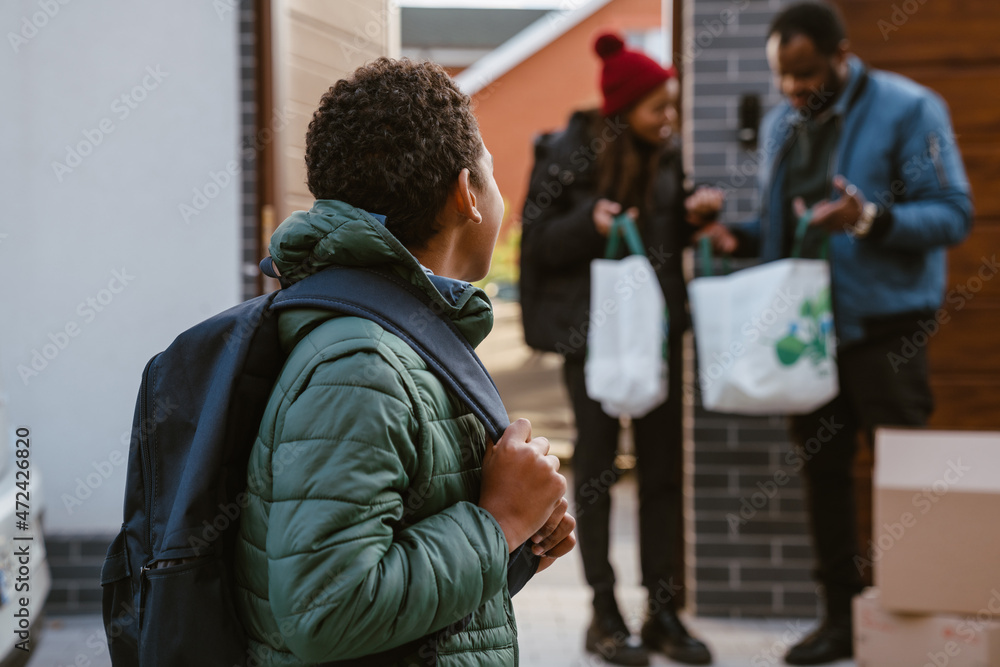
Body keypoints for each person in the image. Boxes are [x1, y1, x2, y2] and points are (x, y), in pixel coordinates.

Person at [233, 58, 576, 666]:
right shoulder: (361, 365)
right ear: (467, 194)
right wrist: (496, 524)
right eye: (491, 176)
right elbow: (326, 611)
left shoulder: (399, 337)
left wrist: (518, 538)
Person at [727, 3, 973, 664]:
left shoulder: (909, 108)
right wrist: (733, 234)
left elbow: (953, 213)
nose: (791, 90)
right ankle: (840, 618)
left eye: (804, 74)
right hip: (806, 335)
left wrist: (869, 220)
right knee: (824, 474)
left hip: (885, 328)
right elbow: (788, 230)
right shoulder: (784, 125)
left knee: (905, 473)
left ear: (841, 55)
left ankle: (916, 613)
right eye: (782, 75)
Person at [519, 33, 733, 666]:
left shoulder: (664, 157)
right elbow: (537, 244)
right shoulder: (564, 152)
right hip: (592, 338)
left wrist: (695, 218)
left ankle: (664, 612)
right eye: (657, 109)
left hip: (655, 335)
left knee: (664, 473)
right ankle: (604, 613)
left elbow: (665, 237)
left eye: (671, 109)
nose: (669, 120)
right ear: (622, 109)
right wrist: (591, 226)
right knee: (599, 473)